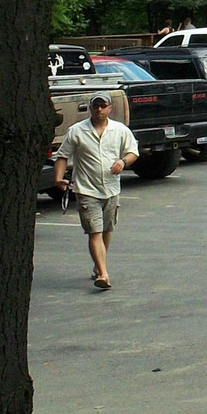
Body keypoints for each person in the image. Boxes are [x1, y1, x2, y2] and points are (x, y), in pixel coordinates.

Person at [53, 91, 139, 290]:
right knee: (95, 231)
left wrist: (122, 161)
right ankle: (103, 273)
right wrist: (58, 178)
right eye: (96, 106)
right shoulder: (76, 131)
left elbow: (133, 151)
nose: (99, 109)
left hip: (111, 189)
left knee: (106, 229)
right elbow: (63, 155)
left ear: (110, 108)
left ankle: (98, 265)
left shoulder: (120, 130)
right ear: (90, 108)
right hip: (86, 189)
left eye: (103, 106)